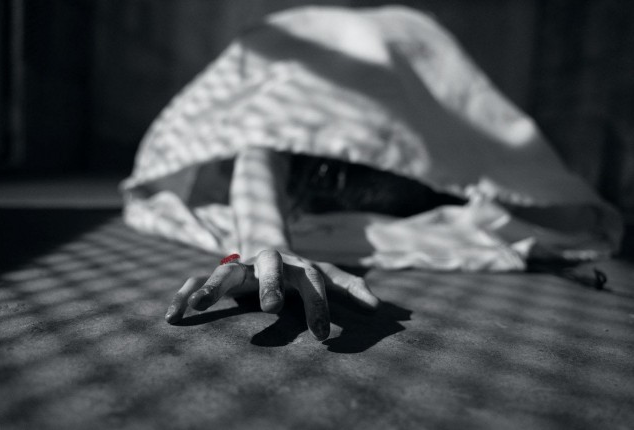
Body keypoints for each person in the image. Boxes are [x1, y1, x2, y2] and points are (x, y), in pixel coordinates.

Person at [122, 6, 623, 341]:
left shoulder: (419, 142)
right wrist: (261, 245)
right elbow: (263, 143)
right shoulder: (281, 125)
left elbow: (483, 168)